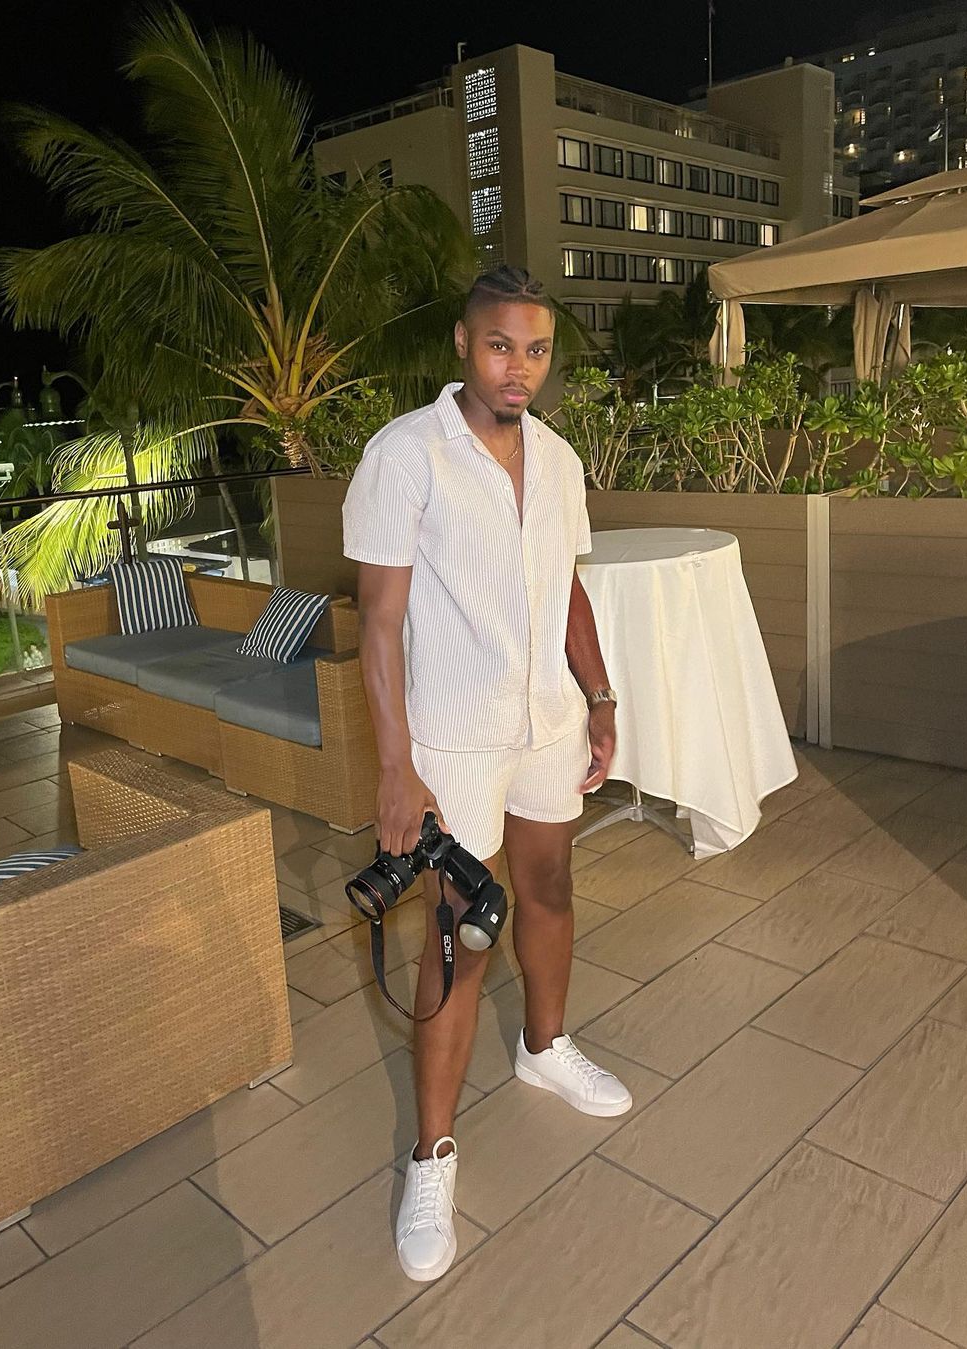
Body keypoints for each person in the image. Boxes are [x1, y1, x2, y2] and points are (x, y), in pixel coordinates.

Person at [342, 265, 630, 1284]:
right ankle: (432, 1155)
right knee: (460, 937)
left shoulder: (559, 459)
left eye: (537, 349)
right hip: (454, 739)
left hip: (548, 721)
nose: (520, 367)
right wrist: (396, 768)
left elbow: (567, 589)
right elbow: (380, 622)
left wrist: (598, 696)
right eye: (501, 345)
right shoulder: (404, 455)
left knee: (549, 889)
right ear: (464, 344)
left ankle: (544, 1047)